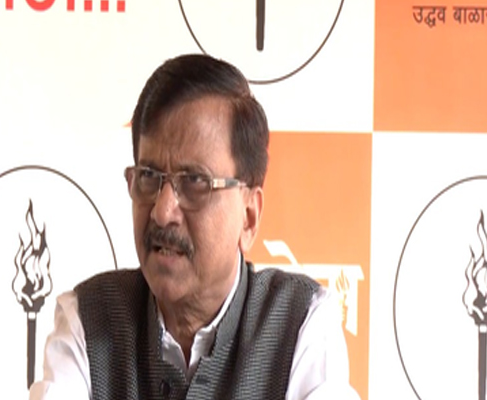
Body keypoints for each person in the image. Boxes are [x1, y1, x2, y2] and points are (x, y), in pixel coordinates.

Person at [29, 54, 360, 400]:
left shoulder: (301, 322)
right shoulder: (89, 319)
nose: (162, 212)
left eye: (195, 181)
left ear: (248, 216)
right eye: (148, 176)